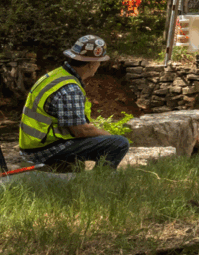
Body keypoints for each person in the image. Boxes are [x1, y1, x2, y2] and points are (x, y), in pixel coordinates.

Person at [18, 35, 130, 171]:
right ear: (92, 64)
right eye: (99, 62)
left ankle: (74, 171)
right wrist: (108, 136)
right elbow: (80, 130)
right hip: (44, 151)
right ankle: (102, 179)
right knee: (119, 143)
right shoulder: (70, 88)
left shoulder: (56, 75)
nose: (98, 66)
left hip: (35, 146)